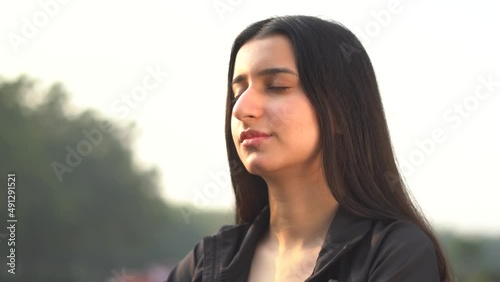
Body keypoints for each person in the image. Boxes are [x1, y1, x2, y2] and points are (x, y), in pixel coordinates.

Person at [166, 15, 453, 282]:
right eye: (238, 92)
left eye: (276, 86)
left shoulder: (395, 253)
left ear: (341, 112)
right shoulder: (206, 263)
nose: (241, 109)